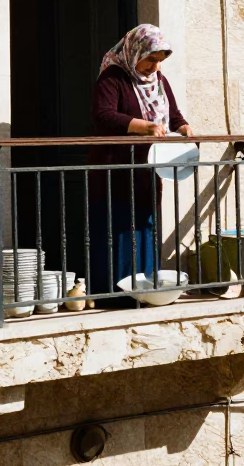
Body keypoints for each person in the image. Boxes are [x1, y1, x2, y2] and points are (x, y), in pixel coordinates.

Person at [87, 24, 193, 304]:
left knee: (145, 228)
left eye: (159, 61)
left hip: (147, 172)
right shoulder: (113, 77)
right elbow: (103, 115)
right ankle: (115, 297)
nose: (154, 67)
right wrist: (142, 127)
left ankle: (146, 294)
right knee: (119, 231)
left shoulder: (159, 81)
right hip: (116, 171)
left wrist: (183, 128)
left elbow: (174, 115)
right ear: (135, 52)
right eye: (150, 59)